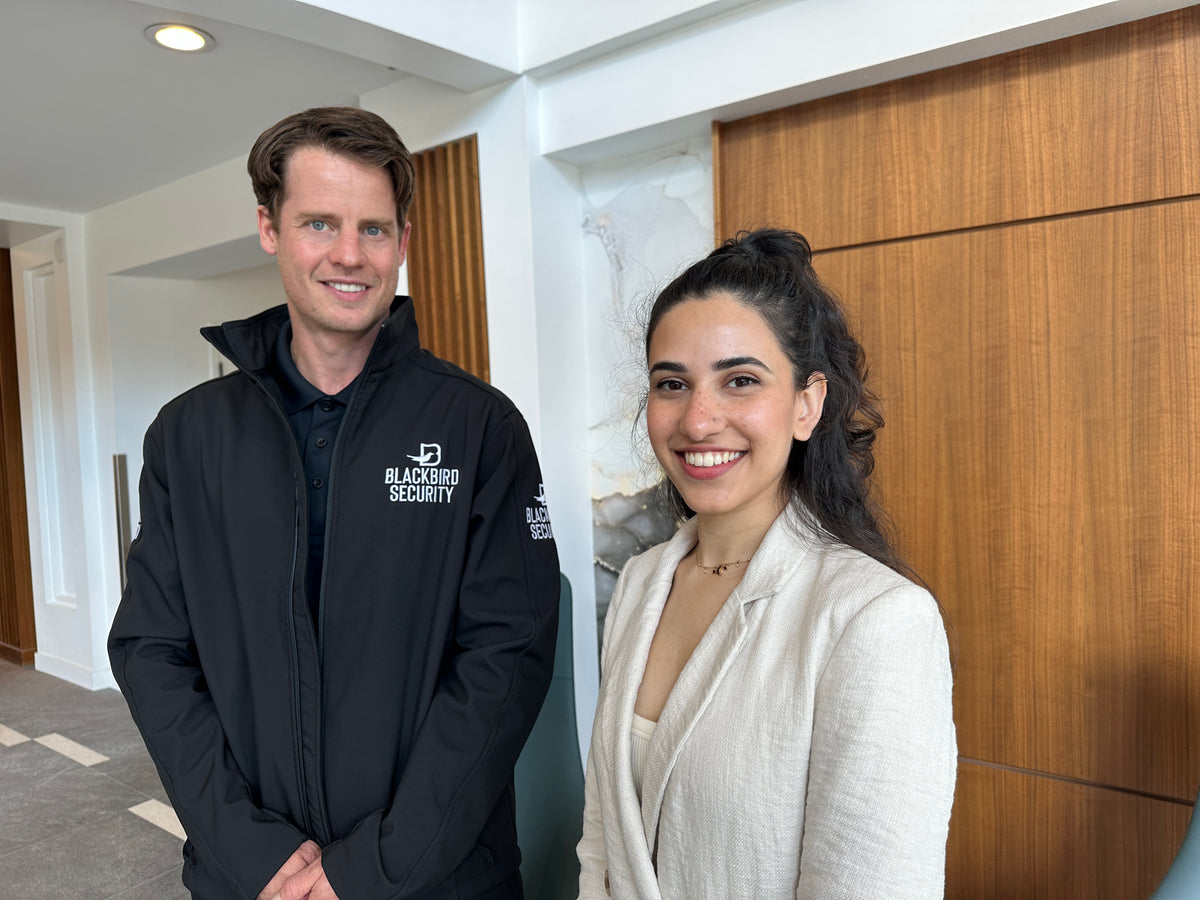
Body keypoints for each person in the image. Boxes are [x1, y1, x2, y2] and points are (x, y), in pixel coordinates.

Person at [108, 106, 560, 900]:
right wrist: (253, 852)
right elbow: (151, 649)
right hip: (251, 878)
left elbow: (506, 660)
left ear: (403, 242)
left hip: (438, 878)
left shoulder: (479, 428)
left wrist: (371, 869)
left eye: (374, 229)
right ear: (269, 227)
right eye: (320, 223)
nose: (350, 255)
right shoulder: (186, 438)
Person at [576, 229, 956, 899]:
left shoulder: (876, 619)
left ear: (808, 403)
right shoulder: (640, 584)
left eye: (740, 380)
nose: (698, 419)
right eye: (672, 384)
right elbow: (604, 840)